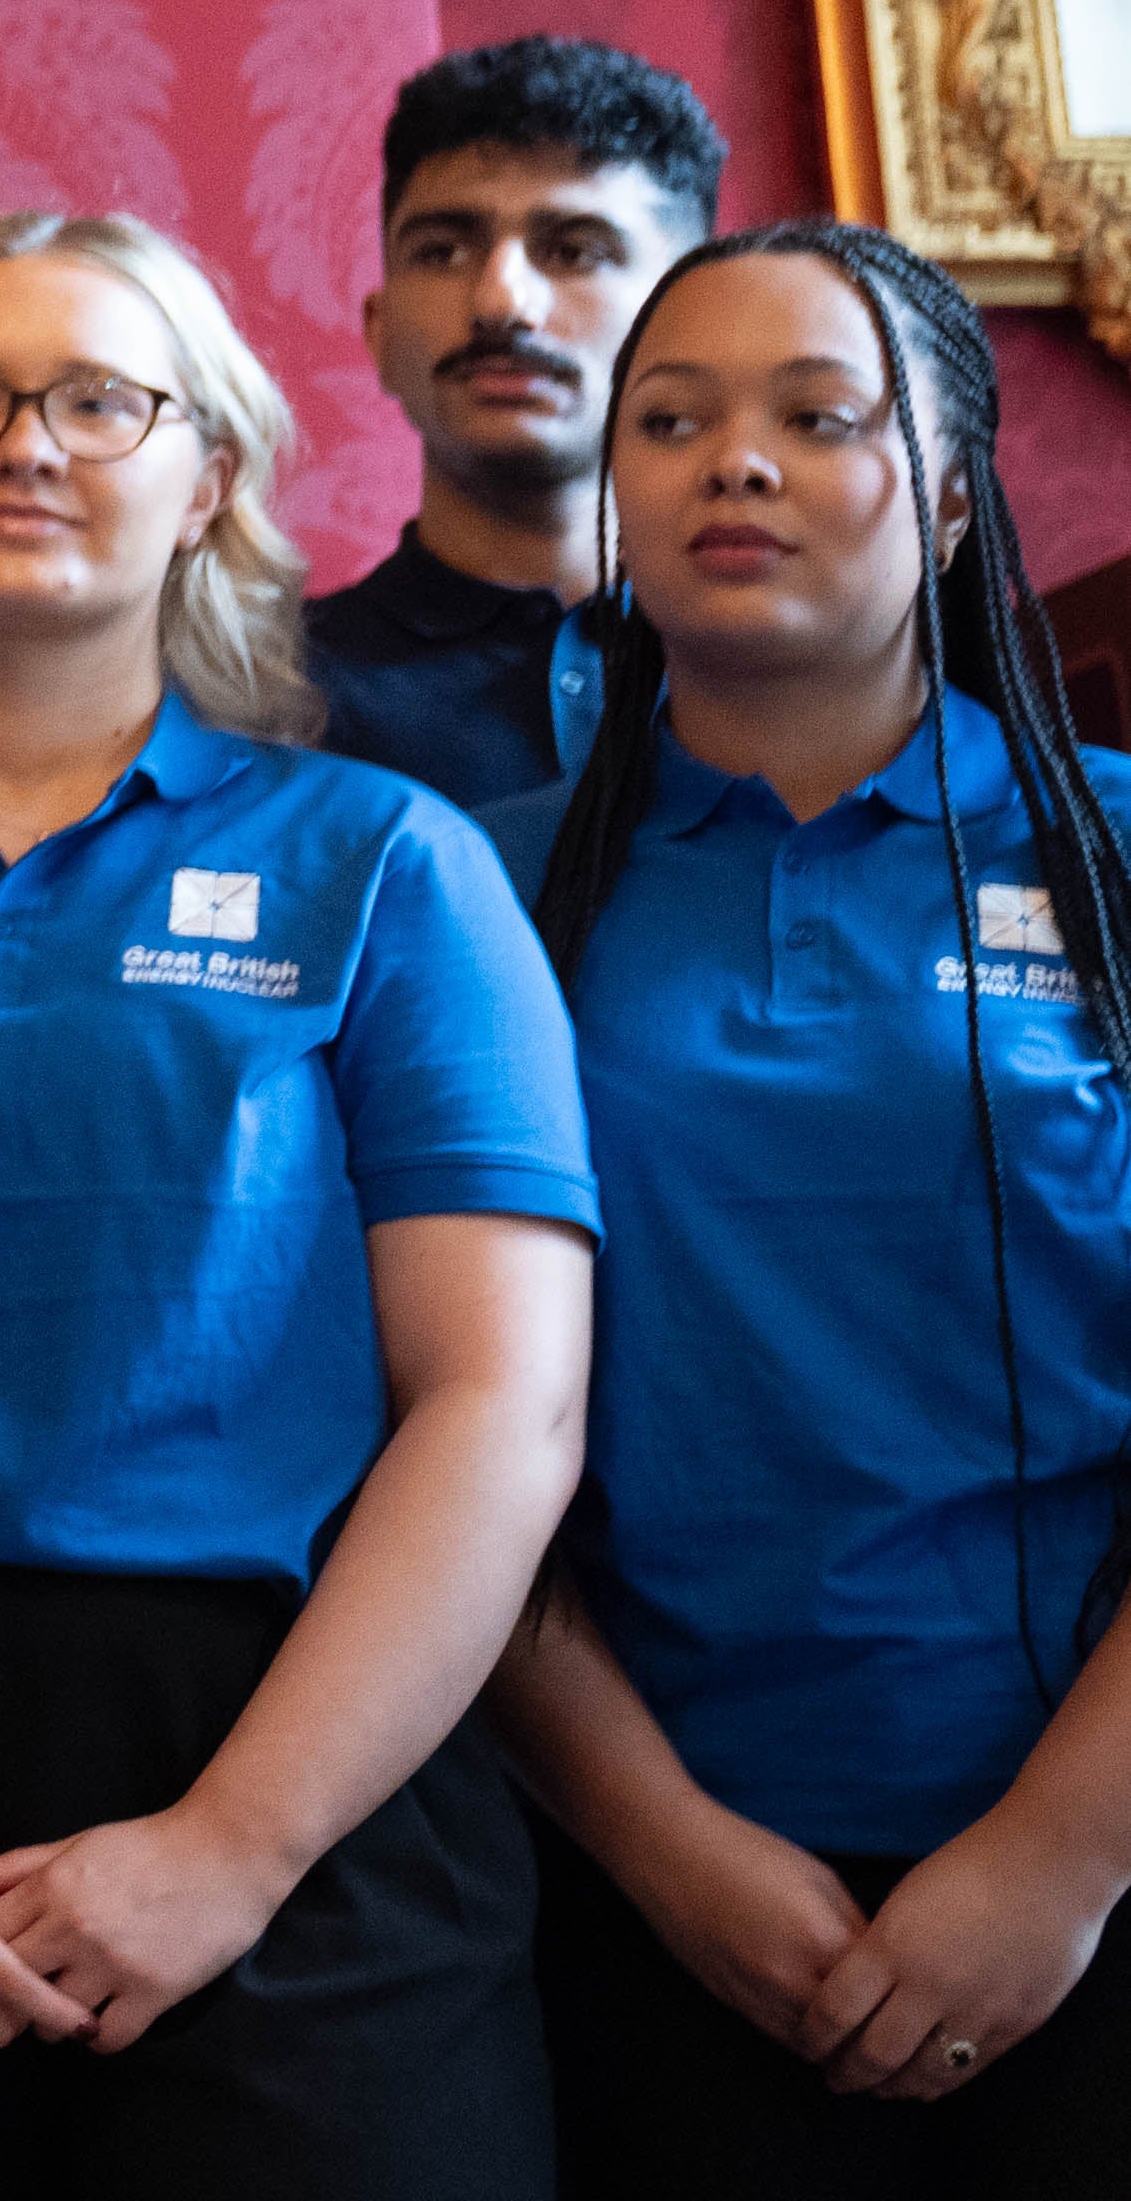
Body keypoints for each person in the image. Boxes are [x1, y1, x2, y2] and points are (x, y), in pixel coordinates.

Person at [0, 209, 599, 2192]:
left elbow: (503, 1407)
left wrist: (231, 1849)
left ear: (211, 480)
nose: (29, 441)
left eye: (101, 396)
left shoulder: (388, 867)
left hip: (312, 1780)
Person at [479, 223, 1131, 2192]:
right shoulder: (474, 896)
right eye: (667, 420)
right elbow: (424, 1435)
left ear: (943, 502)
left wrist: (1060, 1856)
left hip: (1085, 1860)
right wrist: (665, 1846)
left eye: (812, 417)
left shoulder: (1112, 854)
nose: (729, 463)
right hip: (623, 1869)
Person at [313, 35, 729, 806]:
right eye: (441, 252)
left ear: (694, 321)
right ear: (379, 333)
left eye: (574, 251)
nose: (500, 302)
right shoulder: (259, 699)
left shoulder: (796, 678)